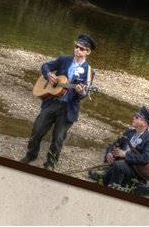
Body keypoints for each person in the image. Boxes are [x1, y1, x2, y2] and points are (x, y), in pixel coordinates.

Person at [21, 34, 96, 170]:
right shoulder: (64, 60)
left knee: (58, 138)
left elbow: (84, 94)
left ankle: (50, 163)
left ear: (88, 52)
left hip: (68, 108)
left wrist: (81, 92)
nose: (78, 50)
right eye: (76, 47)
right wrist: (49, 75)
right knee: (37, 129)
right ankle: (31, 154)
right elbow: (45, 66)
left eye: (82, 49)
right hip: (52, 102)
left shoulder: (89, 71)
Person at [101, 106, 149, 188]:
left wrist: (125, 155)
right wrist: (109, 153)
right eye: (135, 116)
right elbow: (114, 144)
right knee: (107, 173)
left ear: (145, 123)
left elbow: (145, 159)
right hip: (120, 164)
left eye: (137, 117)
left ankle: (114, 187)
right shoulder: (129, 132)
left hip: (135, 171)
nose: (133, 118)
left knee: (118, 166)